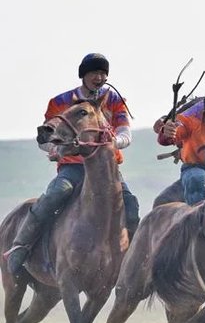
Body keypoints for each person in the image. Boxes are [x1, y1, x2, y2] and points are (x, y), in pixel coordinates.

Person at [3, 53, 140, 274]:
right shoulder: (60, 102)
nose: (100, 77)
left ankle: (136, 261)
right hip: (73, 166)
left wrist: (117, 141)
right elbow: (44, 138)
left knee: (131, 204)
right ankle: (20, 247)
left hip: (106, 168)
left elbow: (125, 130)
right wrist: (55, 149)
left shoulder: (114, 100)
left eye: (104, 73)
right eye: (95, 72)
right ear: (83, 75)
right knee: (55, 194)